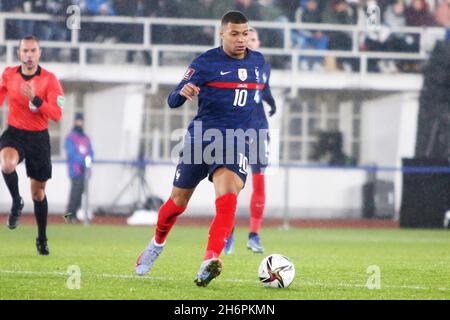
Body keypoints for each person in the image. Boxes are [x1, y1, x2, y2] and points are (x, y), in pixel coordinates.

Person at [135, 11, 265, 287]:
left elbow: (251, 104)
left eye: (245, 33)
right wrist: (182, 93)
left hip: (234, 141)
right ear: (222, 34)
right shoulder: (205, 62)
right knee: (177, 203)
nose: (241, 39)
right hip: (201, 139)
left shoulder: (258, 62)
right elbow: (172, 100)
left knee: (229, 195)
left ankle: (211, 259)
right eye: (234, 34)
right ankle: (156, 243)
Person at [0, 35, 64, 255]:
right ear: (19, 53)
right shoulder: (9, 74)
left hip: (38, 137)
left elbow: (57, 114)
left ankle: (42, 239)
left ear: (39, 53)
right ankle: (17, 202)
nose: (28, 55)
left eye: (32, 51)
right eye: (24, 51)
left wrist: (37, 100)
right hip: (15, 133)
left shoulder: (50, 79)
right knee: (7, 165)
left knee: (38, 194)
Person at [224, 27, 276, 255]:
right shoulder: (232, 64)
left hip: (259, 128)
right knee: (231, 182)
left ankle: (254, 235)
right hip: (237, 129)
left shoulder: (264, 64)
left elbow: (264, 89)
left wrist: (271, 101)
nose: (251, 42)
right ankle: (228, 234)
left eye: (254, 38)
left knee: (259, 181)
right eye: (248, 38)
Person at [64, 113, 94, 224]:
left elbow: (90, 152)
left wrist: (87, 163)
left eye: (81, 121)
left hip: (84, 171)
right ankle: (67, 215)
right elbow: (72, 154)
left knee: (80, 194)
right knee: (74, 194)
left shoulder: (86, 138)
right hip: (75, 170)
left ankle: (74, 215)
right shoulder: (71, 137)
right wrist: (82, 162)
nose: (80, 123)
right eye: (78, 121)